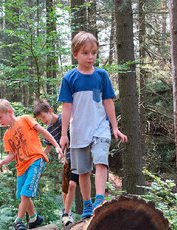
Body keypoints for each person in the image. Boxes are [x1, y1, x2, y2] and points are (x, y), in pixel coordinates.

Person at [58, 31, 128, 219]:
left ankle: (99, 199)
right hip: (79, 130)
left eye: (94, 52)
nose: (90, 57)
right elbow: (66, 107)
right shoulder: (69, 78)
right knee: (83, 171)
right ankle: (87, 204)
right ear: (75, 55)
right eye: (85, 53)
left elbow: (108, 102)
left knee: (101, 162)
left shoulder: (102, 75)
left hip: (100, 128)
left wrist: (114, 127)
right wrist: (64, 134)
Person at [0, 99, 63, 230]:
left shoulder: (25, 119)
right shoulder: (7, 135)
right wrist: (0, 162)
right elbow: (12, 155)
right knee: (21, 194)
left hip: (36, 160)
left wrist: (56, 145)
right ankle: (34, 218)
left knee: (25, 193)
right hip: (21, 167)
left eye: (0, 117)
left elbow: (44, 131)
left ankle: (18, 221)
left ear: (10, 112)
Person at [33, 99, 79, 227]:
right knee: (65, 189)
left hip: (77, 156)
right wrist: (39, 159)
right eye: (40, 120)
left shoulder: (64, 118)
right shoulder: (48, 129)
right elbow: (47, 148)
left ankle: (71, 211)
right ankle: (66, 215)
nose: (43, 121)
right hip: (66, 161)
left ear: (50, 111)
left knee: (72, 186)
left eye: (43, 117)